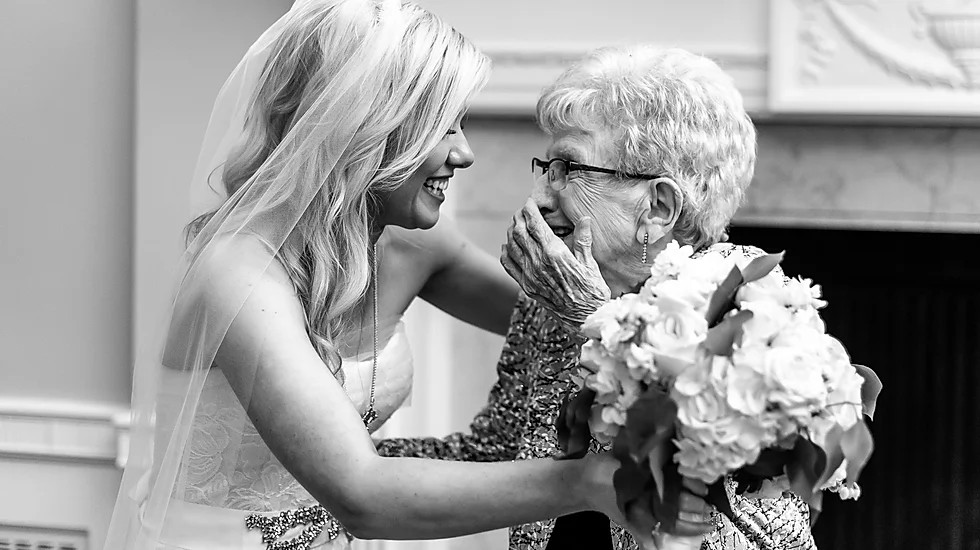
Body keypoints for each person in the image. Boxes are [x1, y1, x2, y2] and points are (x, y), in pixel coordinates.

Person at [103, 3, 717, 549]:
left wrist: (699, 306)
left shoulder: (411, 246)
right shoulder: (238, 279)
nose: (465, 152)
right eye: (444, 125)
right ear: (366, 129)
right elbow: (363, 494)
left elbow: (579, 320)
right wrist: (587, 482)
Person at [379, 45, 817, 549]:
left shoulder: (750, 310)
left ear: (657, 206)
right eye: (546, 168)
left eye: (569, 169)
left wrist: (598, 321)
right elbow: (492, 451)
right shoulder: (553, 301)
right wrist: (338, 468)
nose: (542, 198)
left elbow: (760, 537)